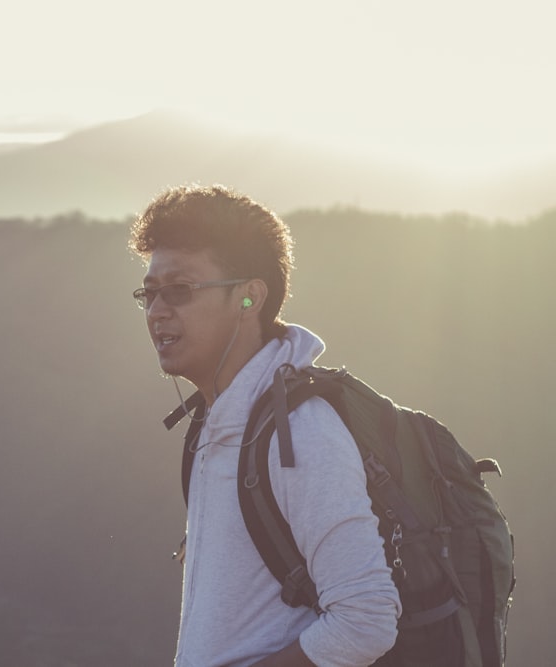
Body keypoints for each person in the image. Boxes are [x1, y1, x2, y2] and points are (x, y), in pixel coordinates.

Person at [129, 185, 401, 667]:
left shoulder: (299, 433)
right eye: (149, 295)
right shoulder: (217, 424)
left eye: (179, 290)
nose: (157, 311)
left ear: (250, 298)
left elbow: (366, 618)